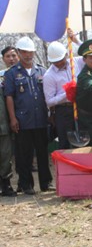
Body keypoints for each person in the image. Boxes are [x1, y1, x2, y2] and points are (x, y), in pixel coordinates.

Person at [4, 37, 54, 195]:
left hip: (40, 118)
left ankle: (46, 183)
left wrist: (50, 113)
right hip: (22, 120)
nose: (28, 55)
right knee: (24, 154)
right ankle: (26, 184)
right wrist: (12, 118)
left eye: (30, 52)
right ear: (19, 53)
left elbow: (48, 94)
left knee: (42, 152)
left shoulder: (42, 70)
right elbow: (9, 96)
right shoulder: (12, 73)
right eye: (24, 52)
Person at [43, 41, 85, 149]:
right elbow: (49, 101)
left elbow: (90, 54)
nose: (58, 63)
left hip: (81, 107)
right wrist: (66, 94)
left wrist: (76, 40)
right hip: (64, 111)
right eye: (55, 61)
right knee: (65, 142)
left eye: (60, 60)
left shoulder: (76, 62)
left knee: (84, 139)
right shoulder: (49, 75)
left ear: (66, 54)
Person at [0, 46, 19, 196]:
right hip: (4, 124)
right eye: (8, 56)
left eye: (14, 55)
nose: (11, 59)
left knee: (7, 156)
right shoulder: (2, 77)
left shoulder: (24, 74)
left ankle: (7, 184)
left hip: (12, 124)